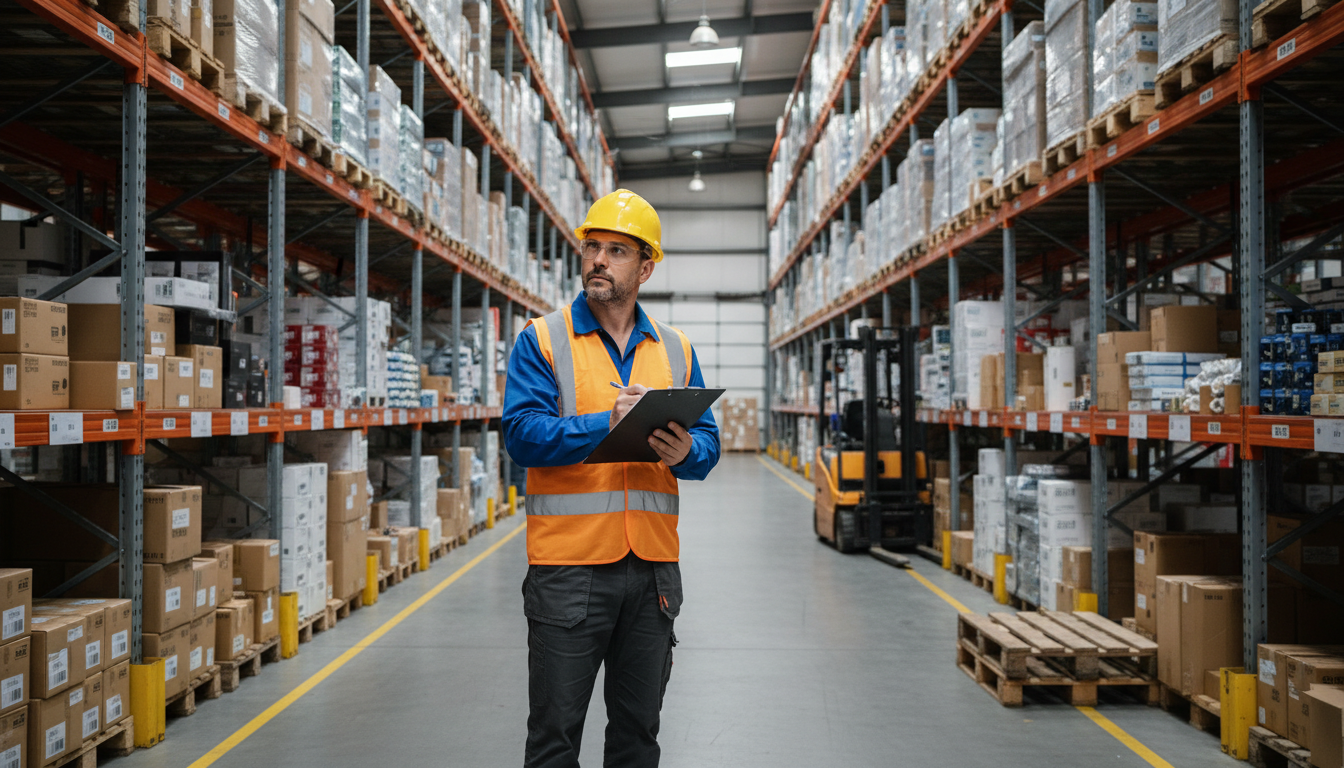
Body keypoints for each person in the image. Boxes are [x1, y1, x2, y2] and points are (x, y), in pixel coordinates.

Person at [502, 189, 721, 768]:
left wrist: (685, 452)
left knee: (637, 738)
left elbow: (709, 447)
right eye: (592, 246)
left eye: (617, 250)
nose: (599, 259)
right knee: (553, 740)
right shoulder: (543, 339)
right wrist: (606, 423)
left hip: (653, 574)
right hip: (568, 570)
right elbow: (521, 435)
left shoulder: (676, 349)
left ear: (645, 268)